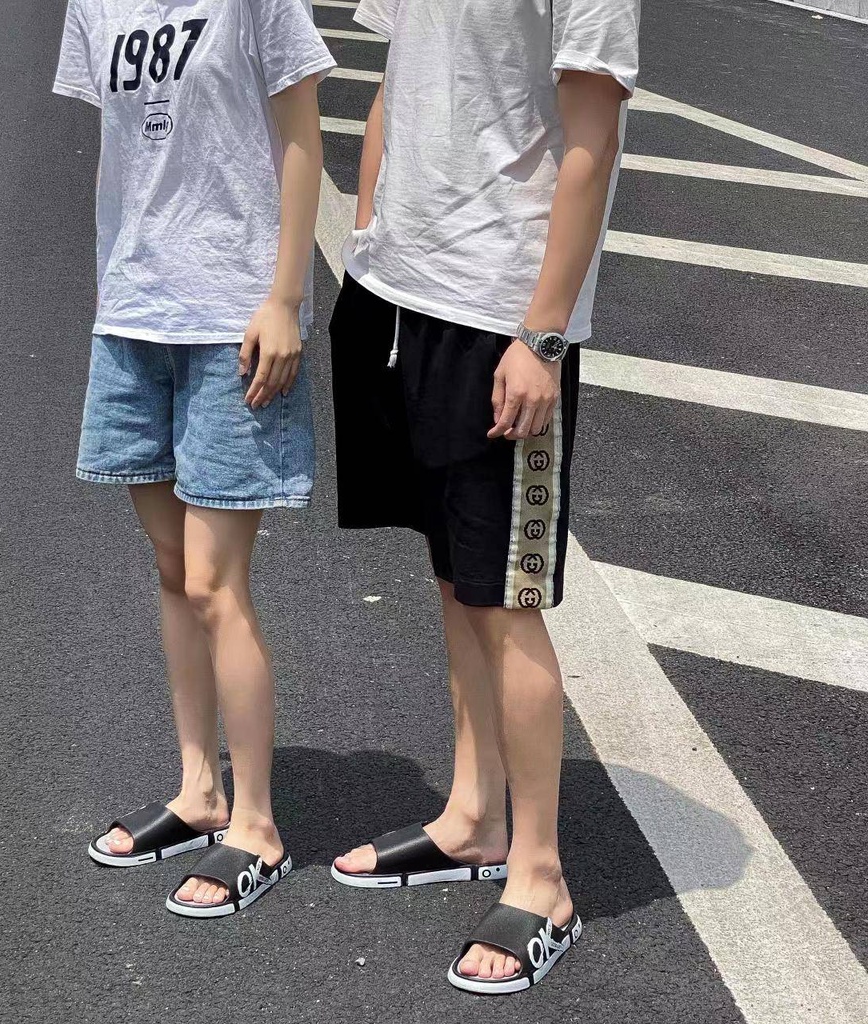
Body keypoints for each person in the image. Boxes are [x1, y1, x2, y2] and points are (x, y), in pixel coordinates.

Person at [329, 0, 640, 993]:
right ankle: (473, 816)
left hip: (499, 313)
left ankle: (541, 876)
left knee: (506, 597)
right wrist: (369, 238)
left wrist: (543, 335)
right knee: (453, 575)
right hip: (397, 292)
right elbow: (396, 81)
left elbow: (592, 133)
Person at [53, 0, 334, 918]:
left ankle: (257, 825)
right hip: (134, 314)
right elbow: (130, 150)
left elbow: (301, 137)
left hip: (232, 320)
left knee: (216, 581)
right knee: (173, 569)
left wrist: (286, 298)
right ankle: (198, 790)